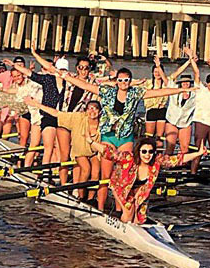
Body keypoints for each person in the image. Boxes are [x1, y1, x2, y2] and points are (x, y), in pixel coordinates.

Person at [60, 66, 188, 213]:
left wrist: (180, 90)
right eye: (120, 80)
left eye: (126, 80)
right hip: (108, 136)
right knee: (105, 176)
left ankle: (121, 209)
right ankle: (101, 209)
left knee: (125, 176)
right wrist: (65, 76)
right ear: (117, 81)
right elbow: (85, 85)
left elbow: (158, 92)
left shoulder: (135, 93)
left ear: (129, 81)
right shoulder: (107, 92)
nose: (123, 83)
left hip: (126, 138)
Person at [95, 138, 209, 224]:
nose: (147, 155)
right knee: (129, 211)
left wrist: (198, 153)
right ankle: (123, 230)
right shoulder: (128, 158)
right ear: (138, 151)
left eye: (150, 152)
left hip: (140, 190)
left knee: (139, 219)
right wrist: (91, 142)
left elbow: (177, 160)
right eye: (144, 151)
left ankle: (134, 233)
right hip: (121, 187)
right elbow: (109, 153)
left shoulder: (156, 161)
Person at [5, 48, 68, 183]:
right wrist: (16, 65)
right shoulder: (47, 80)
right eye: (60, 70)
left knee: (60, 148)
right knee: (47, 147)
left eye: (64, 71)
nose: (61, 73)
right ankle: (43, 175)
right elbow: (29, 73)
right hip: (46, 117)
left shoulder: (70, 82)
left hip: (63, 118)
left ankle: (57, 175)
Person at [24, 97, 102, 202]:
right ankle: (81, 196)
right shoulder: (78, 117)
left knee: (96, 171)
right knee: (86, 168)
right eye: (89, 109)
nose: (92, 111)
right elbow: (56, 113)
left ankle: (91, 198)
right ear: (86, 111)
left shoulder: (103, 123)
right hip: (80, 152)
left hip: (93, 153)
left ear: (100, 111)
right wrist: (37, 104)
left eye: (95, 108)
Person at [144, 53, 193, 138]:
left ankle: (159, 150)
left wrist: (189, 62)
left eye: (159, 72)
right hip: (150, 110)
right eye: (155, 72)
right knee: (149, 136)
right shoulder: (147, 83)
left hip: (162, 110)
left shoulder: (167, 82)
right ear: (152, 73)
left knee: (160, 137)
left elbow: (178, 72)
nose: (157, 74)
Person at [164, 50, 201, 155]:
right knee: (170, 147)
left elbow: (197, 73)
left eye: (188, 83)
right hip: (172, 120)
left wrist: (193, 61)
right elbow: (174, 75)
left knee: (184, 149)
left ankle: (183, 168)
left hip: (185, 123)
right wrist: (188, 61)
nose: (185, 84)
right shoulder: (174, 89)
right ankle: (167, 166)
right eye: (183, 82)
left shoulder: (194, 92)